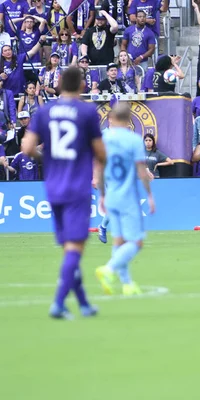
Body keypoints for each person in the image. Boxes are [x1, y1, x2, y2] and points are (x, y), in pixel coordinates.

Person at [21, 66, 107, 319]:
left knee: (69, 248)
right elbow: (101, 153)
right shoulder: (87, 112)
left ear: (58, 83)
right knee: (74, 248)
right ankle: (58, 303)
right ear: (82, 86)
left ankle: (83, 304)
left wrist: (49, 157)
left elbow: (27, 148)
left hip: (53, 187)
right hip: (77, 187)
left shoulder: (45, 111)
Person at [95, 103, 155, 296]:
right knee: (136, 242)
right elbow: (140, 170)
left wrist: (102, 195)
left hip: (111, 194)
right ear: (129, 119)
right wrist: (150, 195)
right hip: (128, 196)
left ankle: (128, 284)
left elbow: (99, 167)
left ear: (111, 118)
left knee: (118, 242)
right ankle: (109, 269)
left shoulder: (103, 138)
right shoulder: (133, 140)